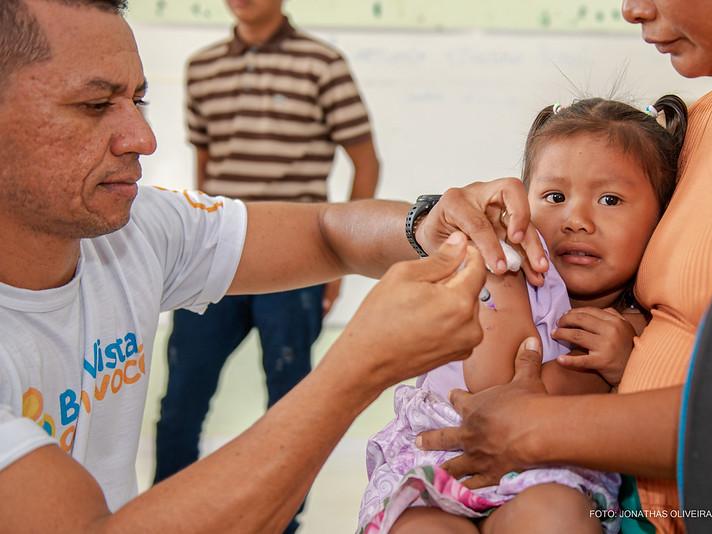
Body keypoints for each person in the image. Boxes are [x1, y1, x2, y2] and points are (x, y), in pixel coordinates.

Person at [0, 1, 551, 531]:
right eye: (95, 106)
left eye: (137, 101)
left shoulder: (138, 227)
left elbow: (326, 233)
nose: (143, 139)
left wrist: (426, 224)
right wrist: (360, 366)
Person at [417, 1, 712, 532]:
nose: (631, 9)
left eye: (609, 202)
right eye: (553, 195)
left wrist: (540, 425)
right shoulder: (708, 117)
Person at [358, 95, 688, 534]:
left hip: (552, 472)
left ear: (661, 219)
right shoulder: (495, 275)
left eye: (610, 200)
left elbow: (539, 399)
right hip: (442, 461)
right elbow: (491, 386)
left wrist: (625, 366)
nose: (577, 219)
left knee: (555, 515)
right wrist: (498, 271)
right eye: (554, 196)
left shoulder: (634, 325)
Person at [155, 4, 380, 531]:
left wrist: (338, 264)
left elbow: (365, 160)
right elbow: (205, 164)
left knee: (291, 404)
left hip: (293, 264)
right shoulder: (202, 65)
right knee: (182, 397)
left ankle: (282, 523)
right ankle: (160, 514)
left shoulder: (322, 63)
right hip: (213, 259)